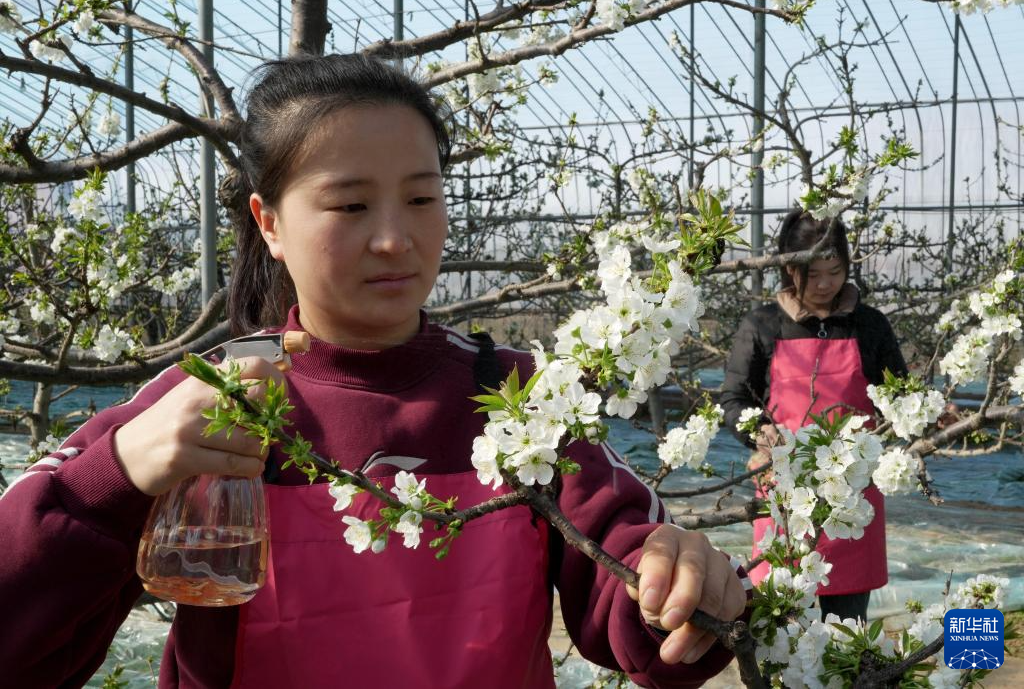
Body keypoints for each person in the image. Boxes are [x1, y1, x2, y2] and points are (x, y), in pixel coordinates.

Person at [0, 54, 748, 689]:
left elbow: (622, 580)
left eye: (422, 198)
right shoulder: (214, 400)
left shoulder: (521, 399)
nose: (394, 239)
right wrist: (117, 474)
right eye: (350, 205)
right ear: (269, 223)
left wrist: (673, 582)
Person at [720, 209, 908, 623]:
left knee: (847, 631)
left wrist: (926, 411)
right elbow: (733, 398)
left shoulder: (870, 325)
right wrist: (758, 432)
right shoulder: (763, 325)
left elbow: (899, 396)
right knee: (782, 623)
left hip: (853, 494)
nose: (825, 284)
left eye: (834, 271)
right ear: (789, 269)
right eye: (812, 273)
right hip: (785, 488)